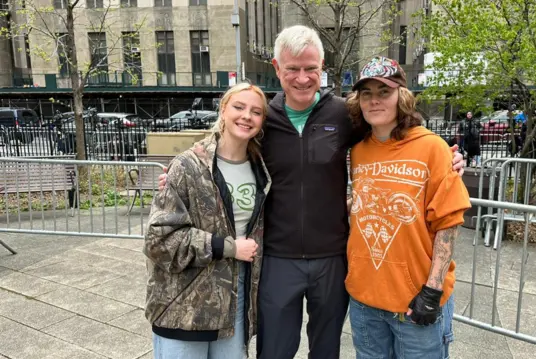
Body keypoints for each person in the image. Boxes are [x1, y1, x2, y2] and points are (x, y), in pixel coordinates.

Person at [156, 25, 466, 359]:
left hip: (332, 258)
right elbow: (226, 144)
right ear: (277, 68)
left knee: (325, 351)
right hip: (276, 257)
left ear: (323, 68)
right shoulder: (262, 119)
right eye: (292, 69)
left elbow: (393, 131)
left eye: (311, 69)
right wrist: (183, 173)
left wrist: (446, 155)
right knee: (274, 351)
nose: (302, 78)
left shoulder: (344, 114)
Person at [345, 56, 471, 358]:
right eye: (367, 94)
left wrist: (432, 289)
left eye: (383, 92)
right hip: (365, 303)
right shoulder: (358, 151)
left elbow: (449, 221)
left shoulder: (433, 148)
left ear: (401, 97)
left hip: (415, 302)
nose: (375, 101)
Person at [143, 82, 271, 359]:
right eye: (239, 107)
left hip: (234, 304)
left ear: (262, 122)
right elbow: (159, 240)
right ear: (223, 110)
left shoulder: (263, 171)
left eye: (256, 111)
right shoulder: (187, 166)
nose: (246, 116)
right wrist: (228, 247)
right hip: (183, 306)